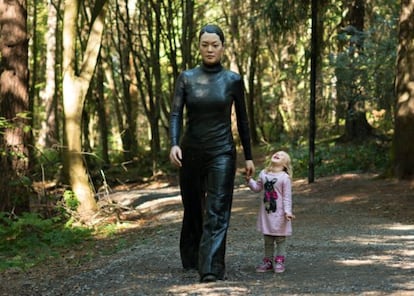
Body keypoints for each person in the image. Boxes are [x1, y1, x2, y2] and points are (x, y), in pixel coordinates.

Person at [169, 24, 255, 283]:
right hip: (191, 152)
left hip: (222, 153)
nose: (209, 49)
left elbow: (243, 120)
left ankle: (210, 267)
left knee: (218, 209)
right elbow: (176, 113)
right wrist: (174, 143)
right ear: (199, 46)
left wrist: (248, 156)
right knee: (194, 207)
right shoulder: (186, 77)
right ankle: (192, 255)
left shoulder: (233, 80)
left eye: (214, 45)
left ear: (222, 47)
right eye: (205, 44)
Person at [246, 150, 294, 273]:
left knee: (280, 239)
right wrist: (249, 180)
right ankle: (268, 261)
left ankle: (279, 260)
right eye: (277, 153)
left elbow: (287, 197)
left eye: (282, 155)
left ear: (285, 164)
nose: (278, 154)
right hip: (267, 214)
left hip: (280, 214)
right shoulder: (264, 173)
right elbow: (257, 188)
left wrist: (288, 212)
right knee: (267, 238)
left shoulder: (285, 178)